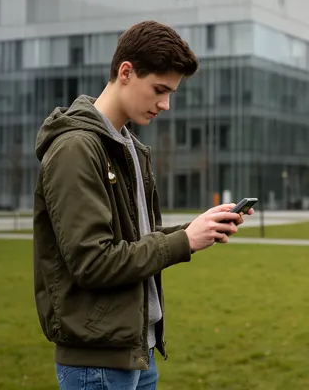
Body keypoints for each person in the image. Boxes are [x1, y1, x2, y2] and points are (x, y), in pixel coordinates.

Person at [32, 20, 252, 390]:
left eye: (171, 93)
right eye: (159, 90)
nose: (165, 104)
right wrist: (183, 242)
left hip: (138, 351)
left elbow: (135, 240)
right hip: (97, 360)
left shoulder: (129, 146)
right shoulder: (75, 149)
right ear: (126, 72)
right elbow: (93, 262)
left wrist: (196, 230)